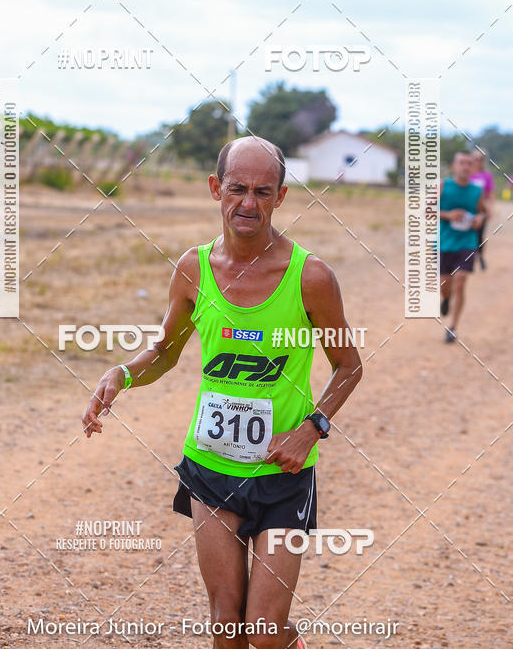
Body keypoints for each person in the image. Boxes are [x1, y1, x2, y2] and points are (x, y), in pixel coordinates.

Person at [82, 136, 363, 649]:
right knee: (226, 624)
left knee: (263, 629)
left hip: (283, 474)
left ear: (280, 197)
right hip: (211, 468)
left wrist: (310, 430)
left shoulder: (312, 278)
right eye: (237, 189)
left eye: (262, 191)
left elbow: (348, 367)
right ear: (216, 189)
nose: (248, 204)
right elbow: (166, 351)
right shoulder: (193, 269)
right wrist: (120, 374)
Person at [439, 151, 488, 342]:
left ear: (473, 167)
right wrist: (448, 215)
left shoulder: (477, 191)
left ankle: (452, 327)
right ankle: (446, 298)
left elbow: (483, 213)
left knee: (461, 281)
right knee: (445, 285)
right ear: (454, 166)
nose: (466, 166)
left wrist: (479, 219)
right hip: (445, 242)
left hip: (467, 242)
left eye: (469, 163)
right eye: (462, 163)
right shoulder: (443, 186)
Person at [469, 148, 495, 270]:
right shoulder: (467, 173)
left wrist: (490, 209)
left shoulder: (486, 175)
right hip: (468, 209)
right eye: (475, 158)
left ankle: (480, 257)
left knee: (480, 236)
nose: (477, 161)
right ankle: (469, 258)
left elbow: (490, 194)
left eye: (480, 159)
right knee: (468, 234)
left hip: (481, 210)